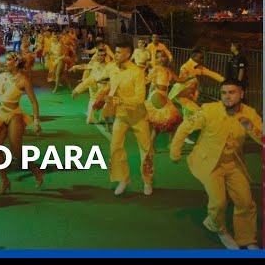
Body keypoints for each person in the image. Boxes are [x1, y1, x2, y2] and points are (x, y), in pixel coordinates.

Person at [170, 79, 262, 250]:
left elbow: (262, 139)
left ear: (242, 94)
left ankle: (247, 239)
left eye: (232, 92)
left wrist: (251, 128)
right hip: (209, 164)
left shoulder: (250, 113)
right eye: (224, 93)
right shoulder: (208, 110)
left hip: (234, 164)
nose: (227, 97)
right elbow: (185, 127)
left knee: (246, 201)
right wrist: (175, 151)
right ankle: (218, 228)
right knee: (218, 203)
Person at [0, 51, 44, 195]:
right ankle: (5, 181)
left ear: (16, 63)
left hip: (14, 116)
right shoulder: (2, 76)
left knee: (16, 151)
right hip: (0, 113)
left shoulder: (23, 81)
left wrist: (36, 121)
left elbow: (34, 102)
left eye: (9, 60)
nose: (5, 62)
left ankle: (35, 170)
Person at [101, 42, 154, 195]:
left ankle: (147, 181)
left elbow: (140, 97)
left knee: (145, 149)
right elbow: (96, 76)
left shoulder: (137, 72)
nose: (115, 54)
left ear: (128, 54)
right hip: (121, 116)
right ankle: (123, 179)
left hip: (138, 116)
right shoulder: (111, 67)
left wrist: (121, 101)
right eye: (115, 52)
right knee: (115, 147)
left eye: (118, 52)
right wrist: (79, 86)